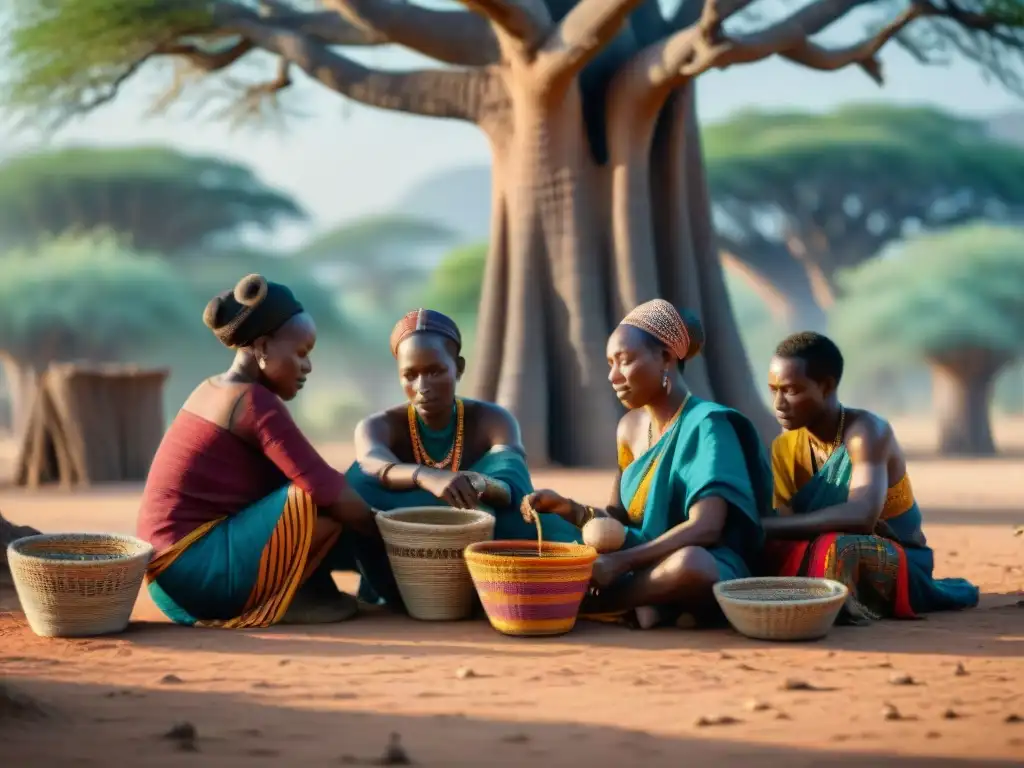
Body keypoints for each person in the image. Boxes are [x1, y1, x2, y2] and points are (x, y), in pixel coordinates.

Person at [137, 274, 401, 629]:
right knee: (322, 500)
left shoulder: (212, 388)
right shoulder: (252, 402)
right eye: (300, 353)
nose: (307, 366)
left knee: (319, 498)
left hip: (167, 580)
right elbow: (326, 490)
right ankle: (281, 600)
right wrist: (398, 538)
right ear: (261, 348)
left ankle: (297, 591)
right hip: (194, 574)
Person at [522, 299, 773, 629]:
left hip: (702, 561)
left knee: (691, 564)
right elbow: (615, 521)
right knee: (535, 540)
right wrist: (567, 508)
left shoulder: (708, 424)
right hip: (638, 558)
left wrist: (619, 563)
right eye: (609, 363)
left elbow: (707, 527)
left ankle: (607, 603)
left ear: (666, 357)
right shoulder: (628, 428)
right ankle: (652, 604)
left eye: (624, 361)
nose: (613, 376)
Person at [345, 308, 580, 603]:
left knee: (535, 519)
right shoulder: (379, 425)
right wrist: (428, 477)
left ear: (458, 367)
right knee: (356, 481)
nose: (422, 388)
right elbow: (372, 462)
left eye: (435, 371)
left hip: (491, 521)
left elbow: (512, 484)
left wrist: (477, 485)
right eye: (410, 375)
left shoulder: (493, 420)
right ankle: (395, 585)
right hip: (404, 540)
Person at [764, 331, 979, 622]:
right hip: (817, 544)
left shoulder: (866, 432)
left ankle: (820, 604)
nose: (779, 403)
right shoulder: (786, 444)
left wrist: (770, 526)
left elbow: (861, 516)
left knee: (839, 548)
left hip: (898, 559)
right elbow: (787, 518)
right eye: (773, 390)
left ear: (826, 386)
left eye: (791, 390)